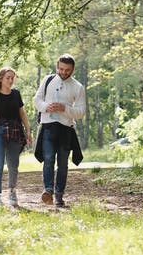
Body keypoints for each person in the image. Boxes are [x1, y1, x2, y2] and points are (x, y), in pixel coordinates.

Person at [34, 54, 85, 207]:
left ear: (72, 69)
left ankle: (59, 195)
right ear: (57, 67)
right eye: (61, 69)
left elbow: (81, 112)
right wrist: (45, 107)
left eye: (67, 70)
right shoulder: (47, 80)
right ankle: (48, 190)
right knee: (48, 159)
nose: (63, 72)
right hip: (48, 126)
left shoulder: (78, 87)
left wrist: (64, 108)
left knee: (62, 164)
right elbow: (37, 99)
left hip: (65, 129)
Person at [0, 67, 33, 206]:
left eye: (12, 78)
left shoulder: (16, 94)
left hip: (15, 131)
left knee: (13, 164)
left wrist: (28, 130)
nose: (10, 80)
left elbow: (22, 114)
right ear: (0, 79)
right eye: (8, 78)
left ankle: (12, 192)